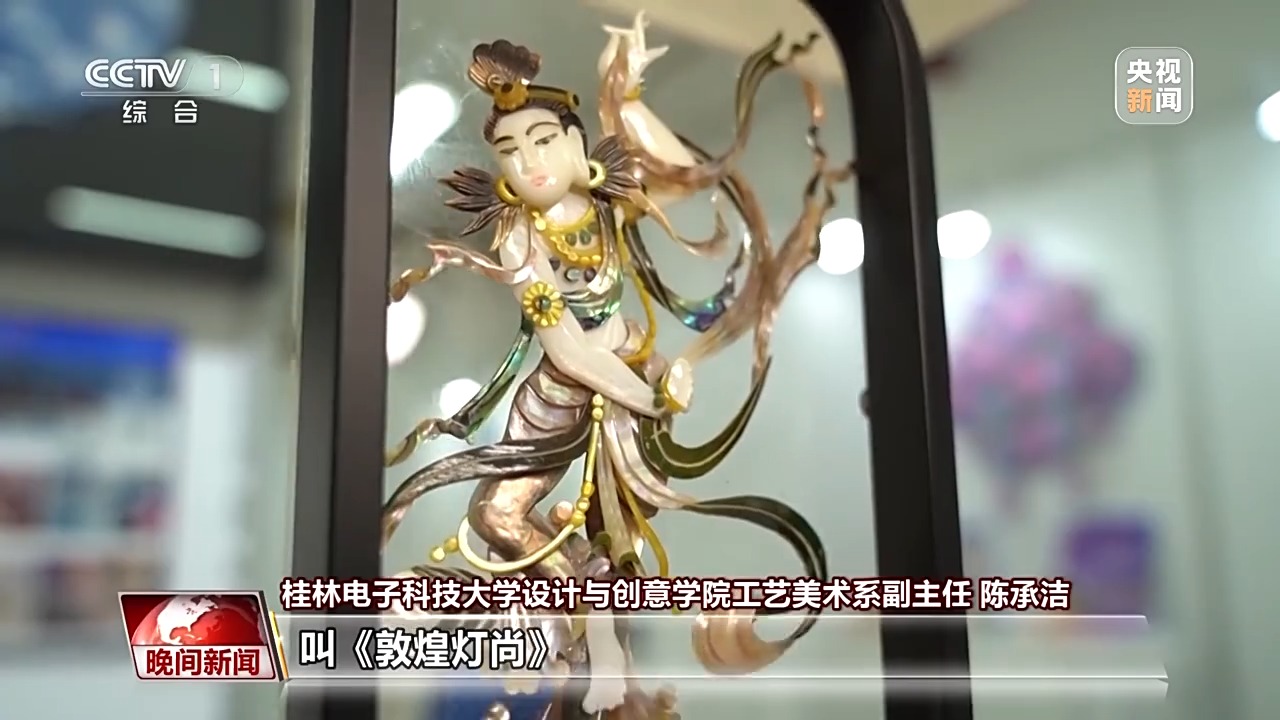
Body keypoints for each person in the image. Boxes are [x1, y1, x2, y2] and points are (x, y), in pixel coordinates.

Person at [384, 12, 853, 720]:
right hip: (562, 394)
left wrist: (628, 102)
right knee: (497, 513)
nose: (530, 161)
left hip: (627, 380)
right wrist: (648, 395)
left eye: (544, 141)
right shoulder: (518, 236)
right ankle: (583, 620)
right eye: (511, 151)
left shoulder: (611, 207)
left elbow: (684, 180)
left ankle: (599, 642)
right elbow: (567, 348)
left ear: (578, 148)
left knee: (615, 531)